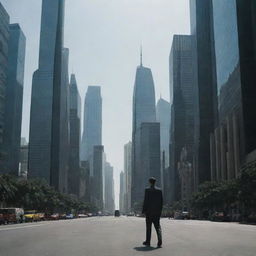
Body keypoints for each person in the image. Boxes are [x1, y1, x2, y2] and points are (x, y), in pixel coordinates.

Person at [142, 177, 163, 247]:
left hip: (149, 212)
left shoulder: (147, 190)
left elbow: (146, 201)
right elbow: (161, 202)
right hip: (157, 212)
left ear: (150, 182)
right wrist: (160, 211)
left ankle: (148, 241)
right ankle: (160, 240)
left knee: (148, 227)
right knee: (158, 227)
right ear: (155, 182)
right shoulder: (159, 191)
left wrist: (143, 210)